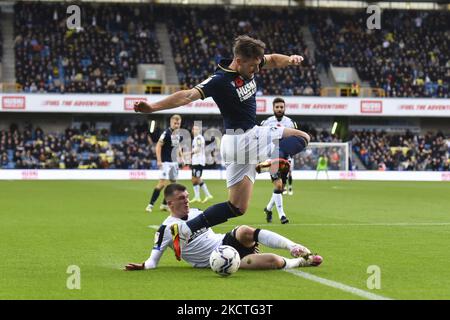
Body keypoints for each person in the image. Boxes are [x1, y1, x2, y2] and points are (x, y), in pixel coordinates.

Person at [134, 35, 311, 260]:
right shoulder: (219, 80)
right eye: (253, 66)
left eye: (258, 65)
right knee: (302, 136)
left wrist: (290, 60)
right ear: (238, 60)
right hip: (245, 137)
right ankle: (276, 161)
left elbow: (274, 59)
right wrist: (152, 107)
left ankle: (185, 230)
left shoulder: (251, 63)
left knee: (237, 207)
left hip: (235, 144)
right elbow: (187, 95)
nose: (256, 69)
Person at [125, 183, 323, 271]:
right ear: (170, 204)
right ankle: (300, 263)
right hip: (214, 260)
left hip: (224, 241)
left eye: (187, 197)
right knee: (272, 261)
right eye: (181, 199)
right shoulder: (166, 230)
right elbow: (153, 260)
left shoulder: (195, 212)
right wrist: (144, 266)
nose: (186, 201)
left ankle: (294, 247)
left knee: (245, 230)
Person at [261, 97, 298, 224]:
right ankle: (282, 215)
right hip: (273, 158)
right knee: (278, 185)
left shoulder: (290, 123)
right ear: (273, 108)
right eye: (277, 107)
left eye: (281, 107)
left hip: (286, 158)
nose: (279, 109)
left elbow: (296, 140)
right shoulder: (266, 123)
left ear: (284, 108)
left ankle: (268, 208)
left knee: (280, 187)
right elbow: (260, 139)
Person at [145, 114, 183, 213]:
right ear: (171, 122)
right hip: (166, 162)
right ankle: (150, 205)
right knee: (162, 183)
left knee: (173, 184)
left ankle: (164, 204)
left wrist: (181, 157)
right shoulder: (166, 133)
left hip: (174, 163)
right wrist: (159, 160)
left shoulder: (177, 134)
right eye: (175, 123)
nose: (176, 125)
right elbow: (158, 146)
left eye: (178, 123)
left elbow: (177, 146)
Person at [190, 124, 213, 203]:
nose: (194, 130)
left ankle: (207, 195)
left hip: (199, 161)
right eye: (193, 129)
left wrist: (190, 152)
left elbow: (199, 148)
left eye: (196, 129)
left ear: (199, 130)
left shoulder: (199, 138)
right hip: (195, 161)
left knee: (197, 178)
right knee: (194, 179)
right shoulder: (195, 138)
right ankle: (197, 197)